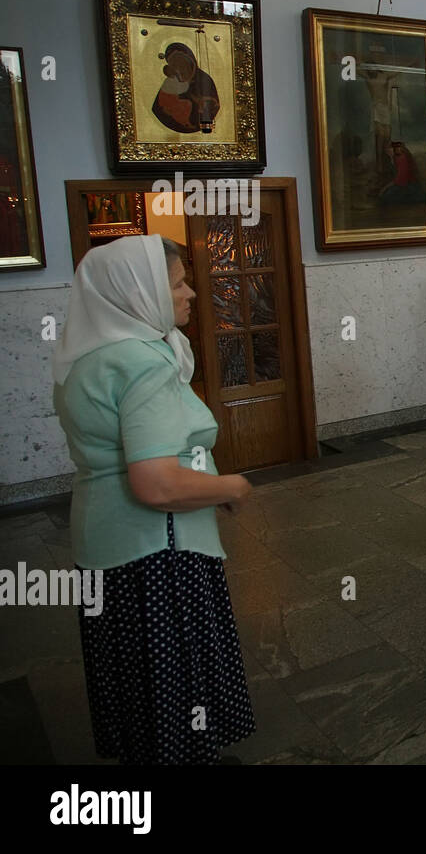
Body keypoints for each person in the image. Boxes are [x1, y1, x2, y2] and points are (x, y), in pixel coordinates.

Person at [52, 234, 255, 764]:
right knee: (176, 681)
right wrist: (230, 486)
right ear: (138, 293)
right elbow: (157, 484)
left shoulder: (86, 357)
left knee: (136, 677)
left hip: (103, 541)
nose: (191, 294)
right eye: (178, 284)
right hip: (158, 552)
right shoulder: (142, 362)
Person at [152, 42, 220, 134]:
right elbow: (158, 109)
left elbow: (213, 105)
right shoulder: (171, 82)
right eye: (175, 64)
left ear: (190, 61)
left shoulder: (204, 79)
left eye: (182, 63)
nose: (180, 68)